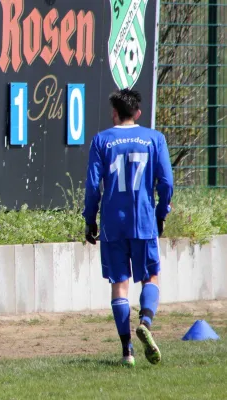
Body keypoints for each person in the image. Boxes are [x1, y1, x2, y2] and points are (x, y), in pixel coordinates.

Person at [82, 89, 174, 367]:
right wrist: (161, 212)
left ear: (114, 113)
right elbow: (166, 182)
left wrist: (90, 219)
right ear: (137, 113)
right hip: (143, 221)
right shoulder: (154, 139)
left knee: (119, 285)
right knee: (151, 277)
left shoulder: (102, 141)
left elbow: (91, 186)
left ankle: (127, 352)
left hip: (113, 224)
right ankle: (145, 320)